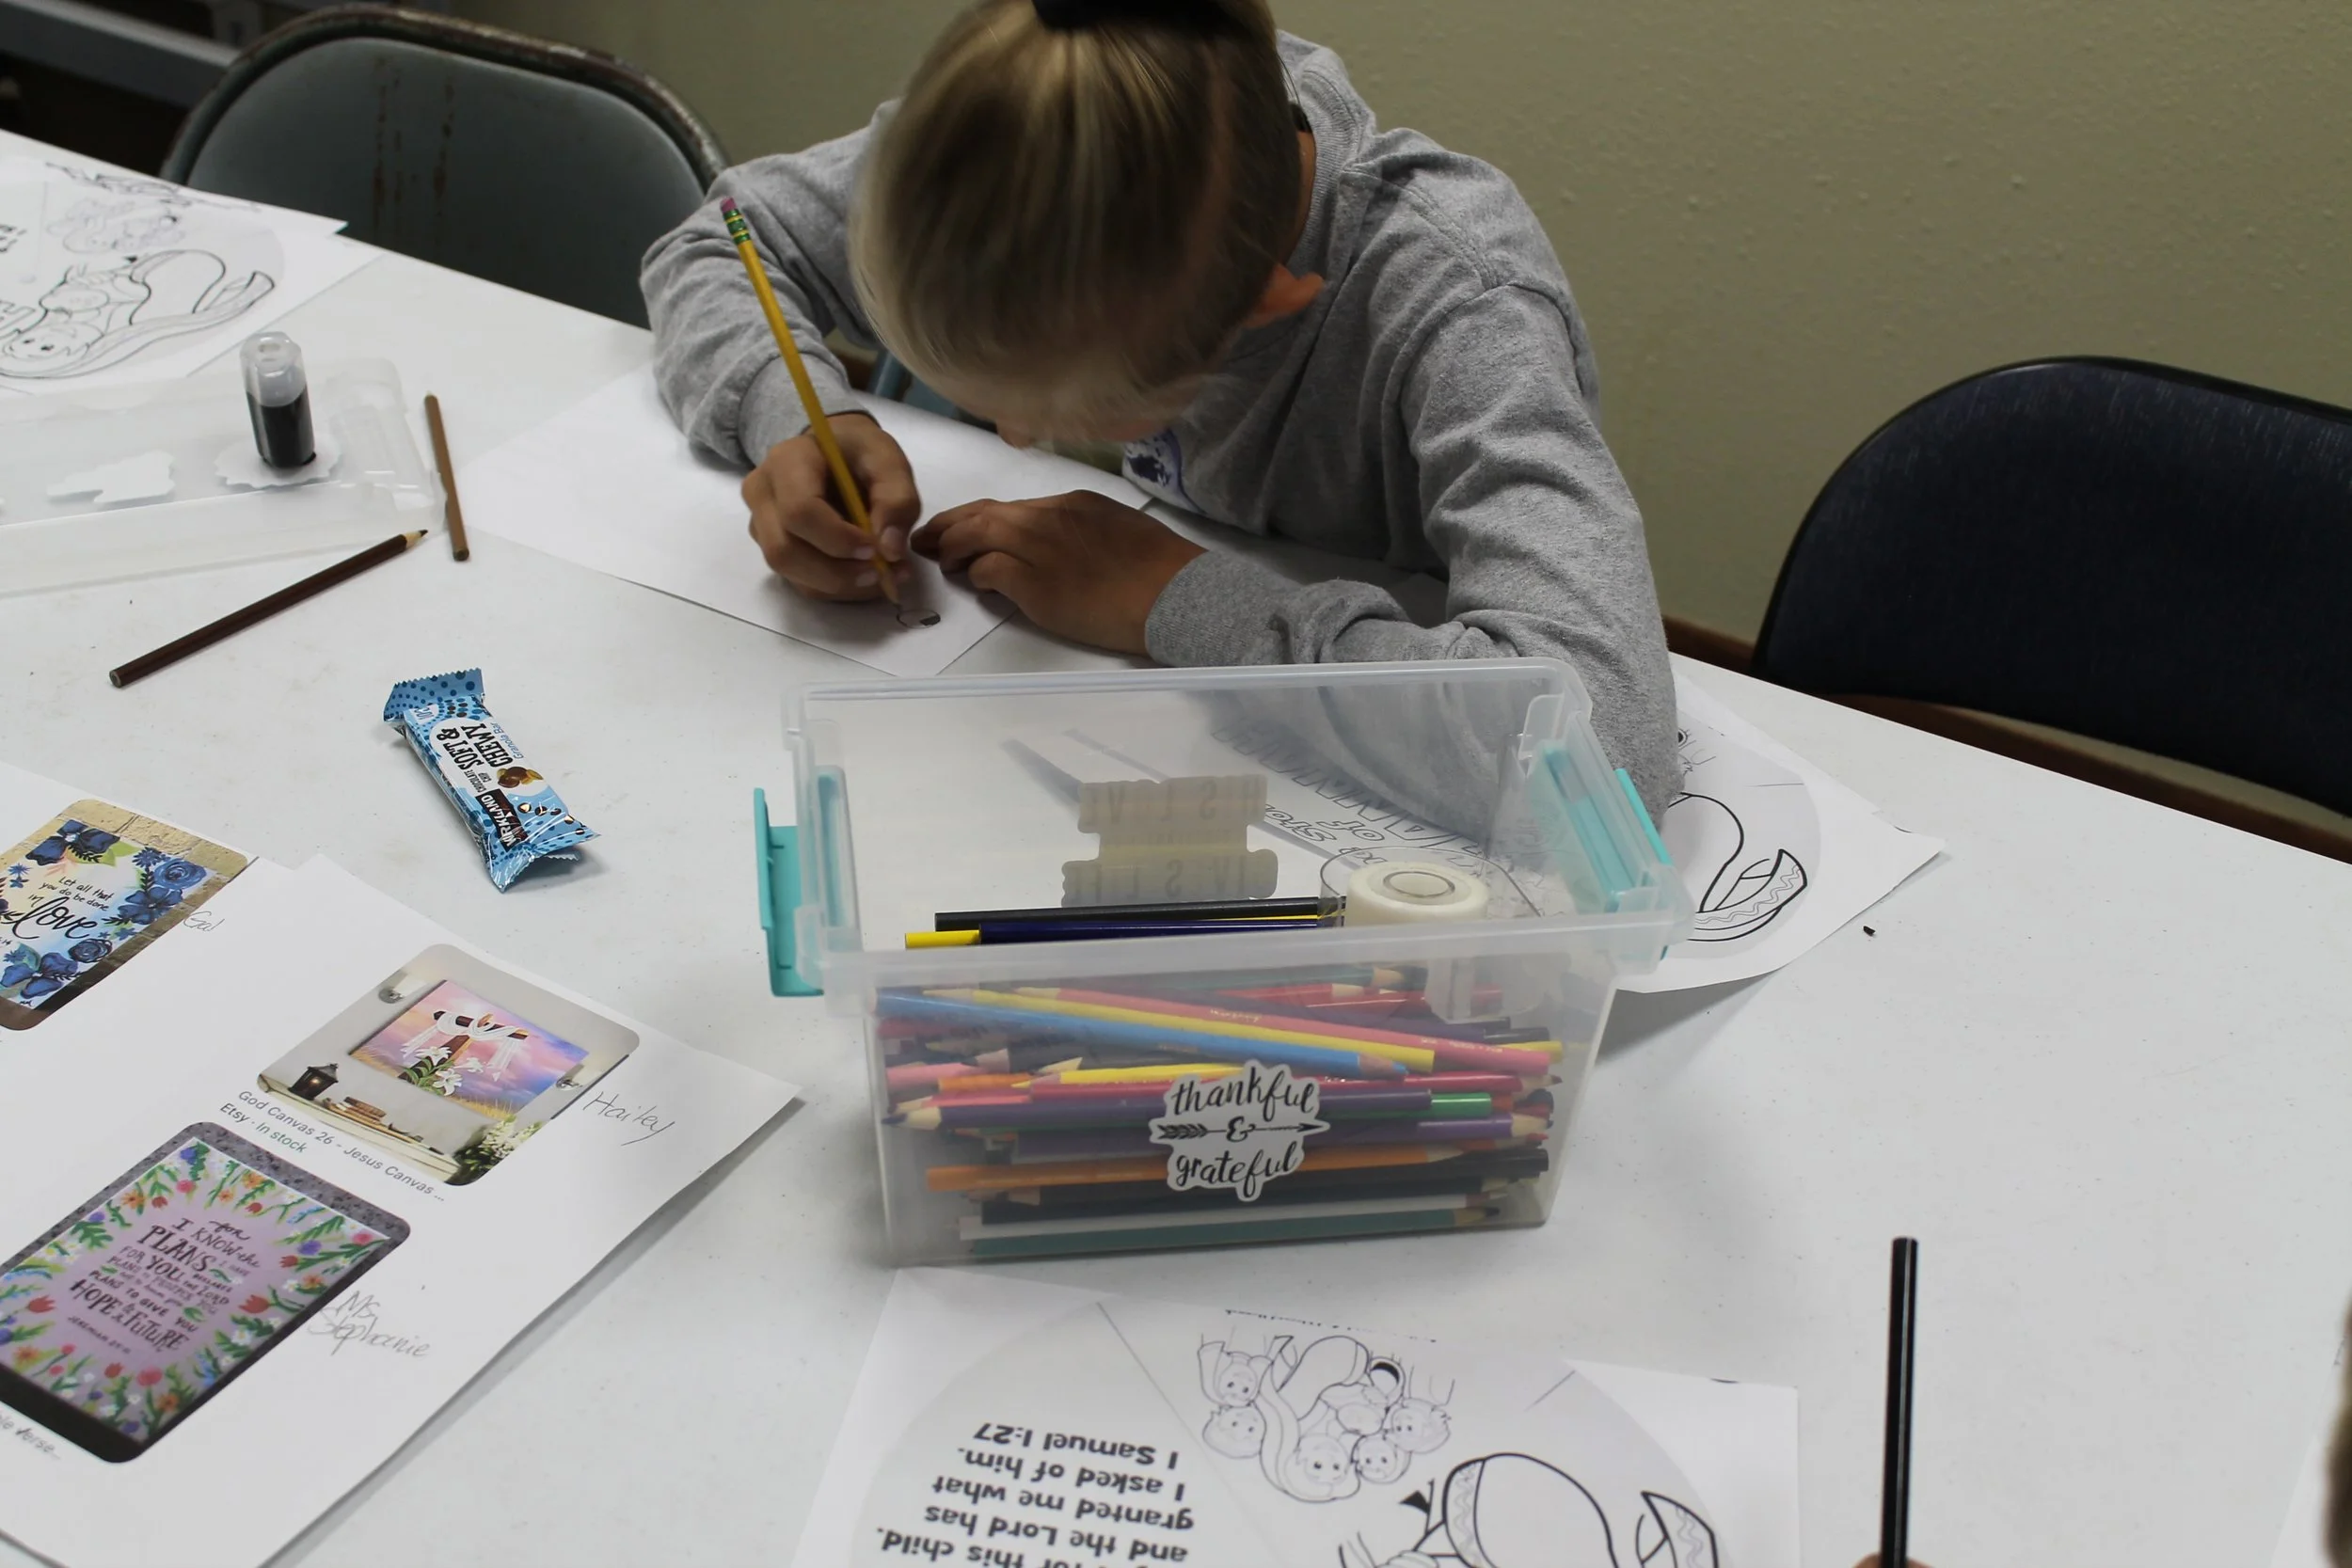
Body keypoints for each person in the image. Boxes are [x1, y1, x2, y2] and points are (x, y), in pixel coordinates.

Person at [642, 0, 1680, 809]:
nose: (1009, 442)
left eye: (1068, 417)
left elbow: (1604, 749)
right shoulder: (1034, 141)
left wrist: (1171, 599)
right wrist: (805, 417)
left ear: (1265, 312)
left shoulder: (1459, 308)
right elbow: (721, 238)